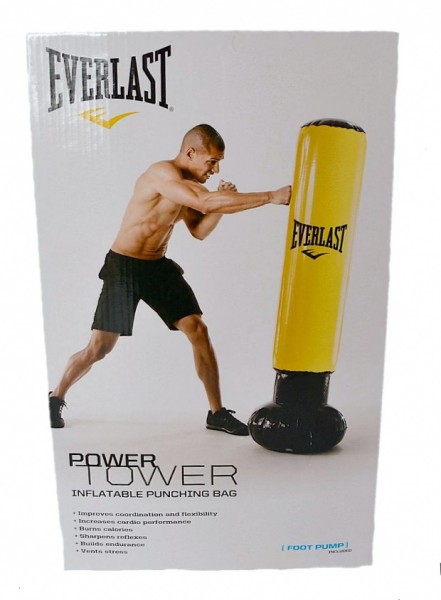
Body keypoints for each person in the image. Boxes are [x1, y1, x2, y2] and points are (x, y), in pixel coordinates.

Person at [49, 124, 291, 435]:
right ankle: (56, 397)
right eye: (212, 161)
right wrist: (270, 196)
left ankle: (216, 413)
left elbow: (199, 230)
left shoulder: (189, 186)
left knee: (198, 330)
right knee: (99, 348)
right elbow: (204, 202)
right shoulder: (161, 174)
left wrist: (222, 203)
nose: (215, 170)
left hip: (157, 268)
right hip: (124, 268)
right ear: (190, 153)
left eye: (218, 163)